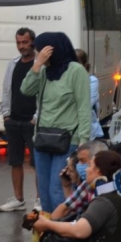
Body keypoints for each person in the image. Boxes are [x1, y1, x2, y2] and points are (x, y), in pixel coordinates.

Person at [21, 32, 92, 213]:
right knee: (43, 192)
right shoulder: (43, 72)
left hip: (68, 139)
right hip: (43, 138)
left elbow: (84, 107)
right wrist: (37, 65)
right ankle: (49, 234)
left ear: (52, 50)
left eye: (40, 51)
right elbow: (26, 90)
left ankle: (63, 232)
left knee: (57, 188)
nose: (38, 55)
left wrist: (84, 141)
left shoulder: (76, 70)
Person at [0, 28, 40, 212]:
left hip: (32, 121)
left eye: (25, 42)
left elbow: (44, 93)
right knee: (15, 161)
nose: (21, 46)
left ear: (33, 42)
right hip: (13, 120)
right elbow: (6, 89)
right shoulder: (13, 64)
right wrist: (6, 114)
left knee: (37, 162)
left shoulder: (40, 64)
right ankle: (18, 198)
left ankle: (40, 200)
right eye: (18, 43)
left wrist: (36, 117)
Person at [75, 49, 104, 140]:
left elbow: (86, 104)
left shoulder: (92, 81)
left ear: (85, 65)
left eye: (77, 63)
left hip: (88, 133)